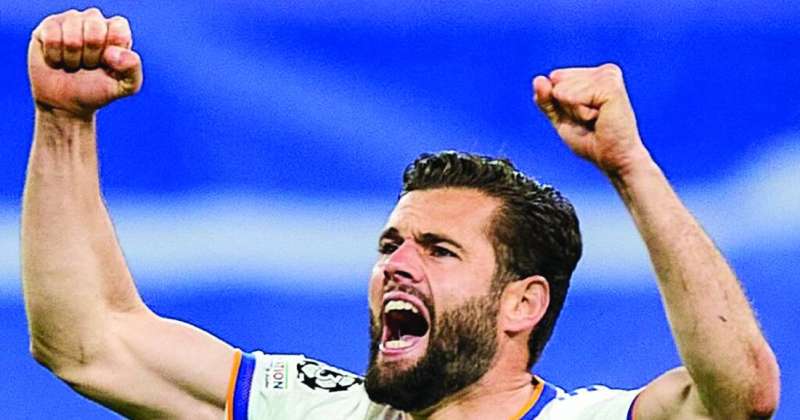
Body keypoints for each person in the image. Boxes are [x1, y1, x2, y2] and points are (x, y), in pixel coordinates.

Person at [22, 8, 780, 420]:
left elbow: (740, 399)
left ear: (522, 303)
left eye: (439, 250)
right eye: (391, 244)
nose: (397, 264)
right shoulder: (311, 409)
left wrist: (630, 167)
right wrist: (63, 121)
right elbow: (89, 342)